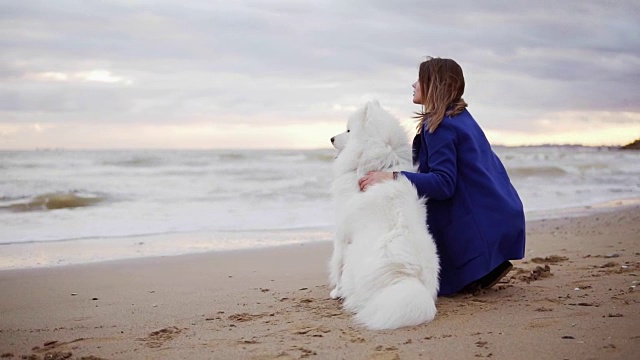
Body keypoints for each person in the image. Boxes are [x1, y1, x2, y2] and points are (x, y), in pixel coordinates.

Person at [358, 57, 526, 296]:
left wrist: (391, 176)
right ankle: (483, 267)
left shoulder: (440, 126)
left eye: (419, 79)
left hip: (479, 232)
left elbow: (443, 183)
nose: (413, 84)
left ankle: (475, 268)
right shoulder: (460, 117)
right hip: (498, 217)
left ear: (434, 84)